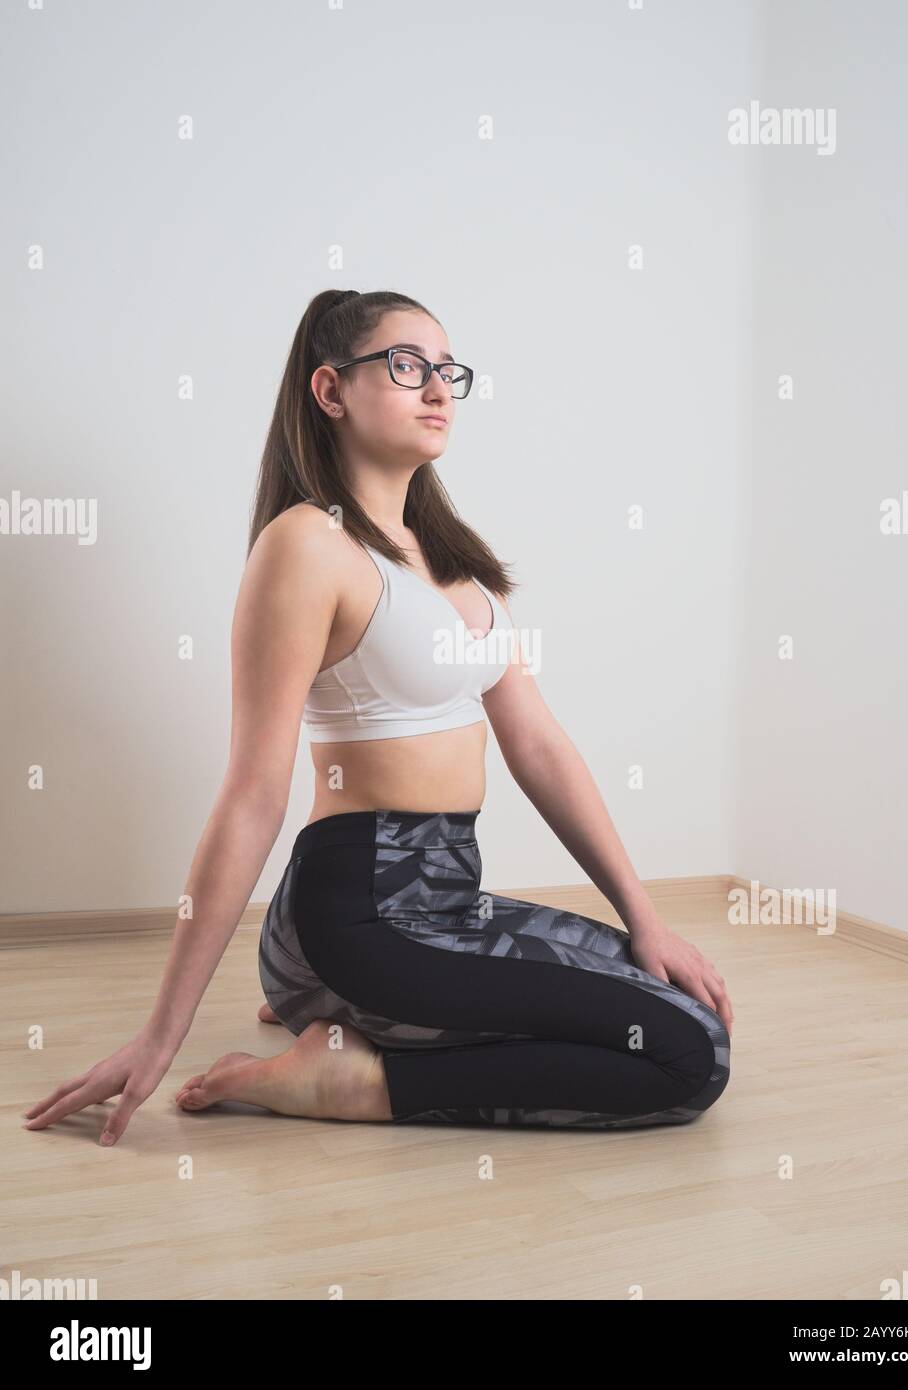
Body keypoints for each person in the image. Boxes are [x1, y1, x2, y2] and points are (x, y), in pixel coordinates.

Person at [24, 289, 733, 1146]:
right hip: (360, 909)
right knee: (691, 1054)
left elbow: (538, 745)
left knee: (674, 998)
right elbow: (254, 792)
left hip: (445, 898)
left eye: (447, 371)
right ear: (331, 392)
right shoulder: (308, 545)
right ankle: (353, 1078)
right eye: (406, 366)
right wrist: (159, 1035)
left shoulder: (454, 564)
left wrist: (645, 919)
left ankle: (326, 1005)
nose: (437, 388)